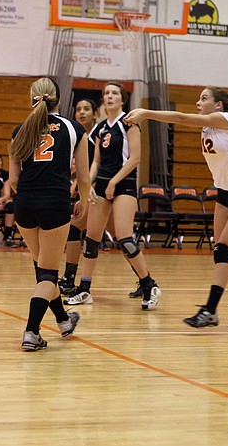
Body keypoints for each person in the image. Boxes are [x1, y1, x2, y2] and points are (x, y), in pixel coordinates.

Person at [124, 86, 228, 328]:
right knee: (223, 253)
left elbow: (182, 118)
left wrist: (147, 113)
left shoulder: (227, 119)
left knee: (222, 249)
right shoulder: (208, 127)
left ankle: (210, 310)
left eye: (204, 98)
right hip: (225, 194)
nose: (198, 102)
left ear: (218, 105)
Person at [63, 82, 161, 311]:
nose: (109, 96)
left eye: (114, 93)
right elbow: (96, 162)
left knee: (124, 239)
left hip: (124, 185)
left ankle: (149, 285)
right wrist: (89, 185)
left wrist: (114, 182)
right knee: (91, 239)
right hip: (102, 187)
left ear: (122, 99)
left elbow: (135, 158)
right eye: (106, 93)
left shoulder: (130, 122)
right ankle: (84, 289)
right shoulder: (100, 128)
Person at [9, 77, 89, 351]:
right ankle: (31, 332)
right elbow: (84, 177)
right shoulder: (73, 128)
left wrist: (30, 195)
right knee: (47, 274)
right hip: (54, 204)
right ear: (59, 100)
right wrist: (83, 201)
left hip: (24, 205)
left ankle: (64, 321)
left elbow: (13, 180)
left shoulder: (21, 130)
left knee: (43, 268)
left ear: (31, 99)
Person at [59, 98, 97, 296]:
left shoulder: (99, 135)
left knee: (122, 238)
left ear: (95, 114)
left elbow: (98, 167)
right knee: (73, 230)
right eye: (79, 109)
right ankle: (68, 278)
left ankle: (145, 280)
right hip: (85, 191)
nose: (82, 113)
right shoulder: (74, 135)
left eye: (87, 109)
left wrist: (82, 185)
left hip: (100, 192)